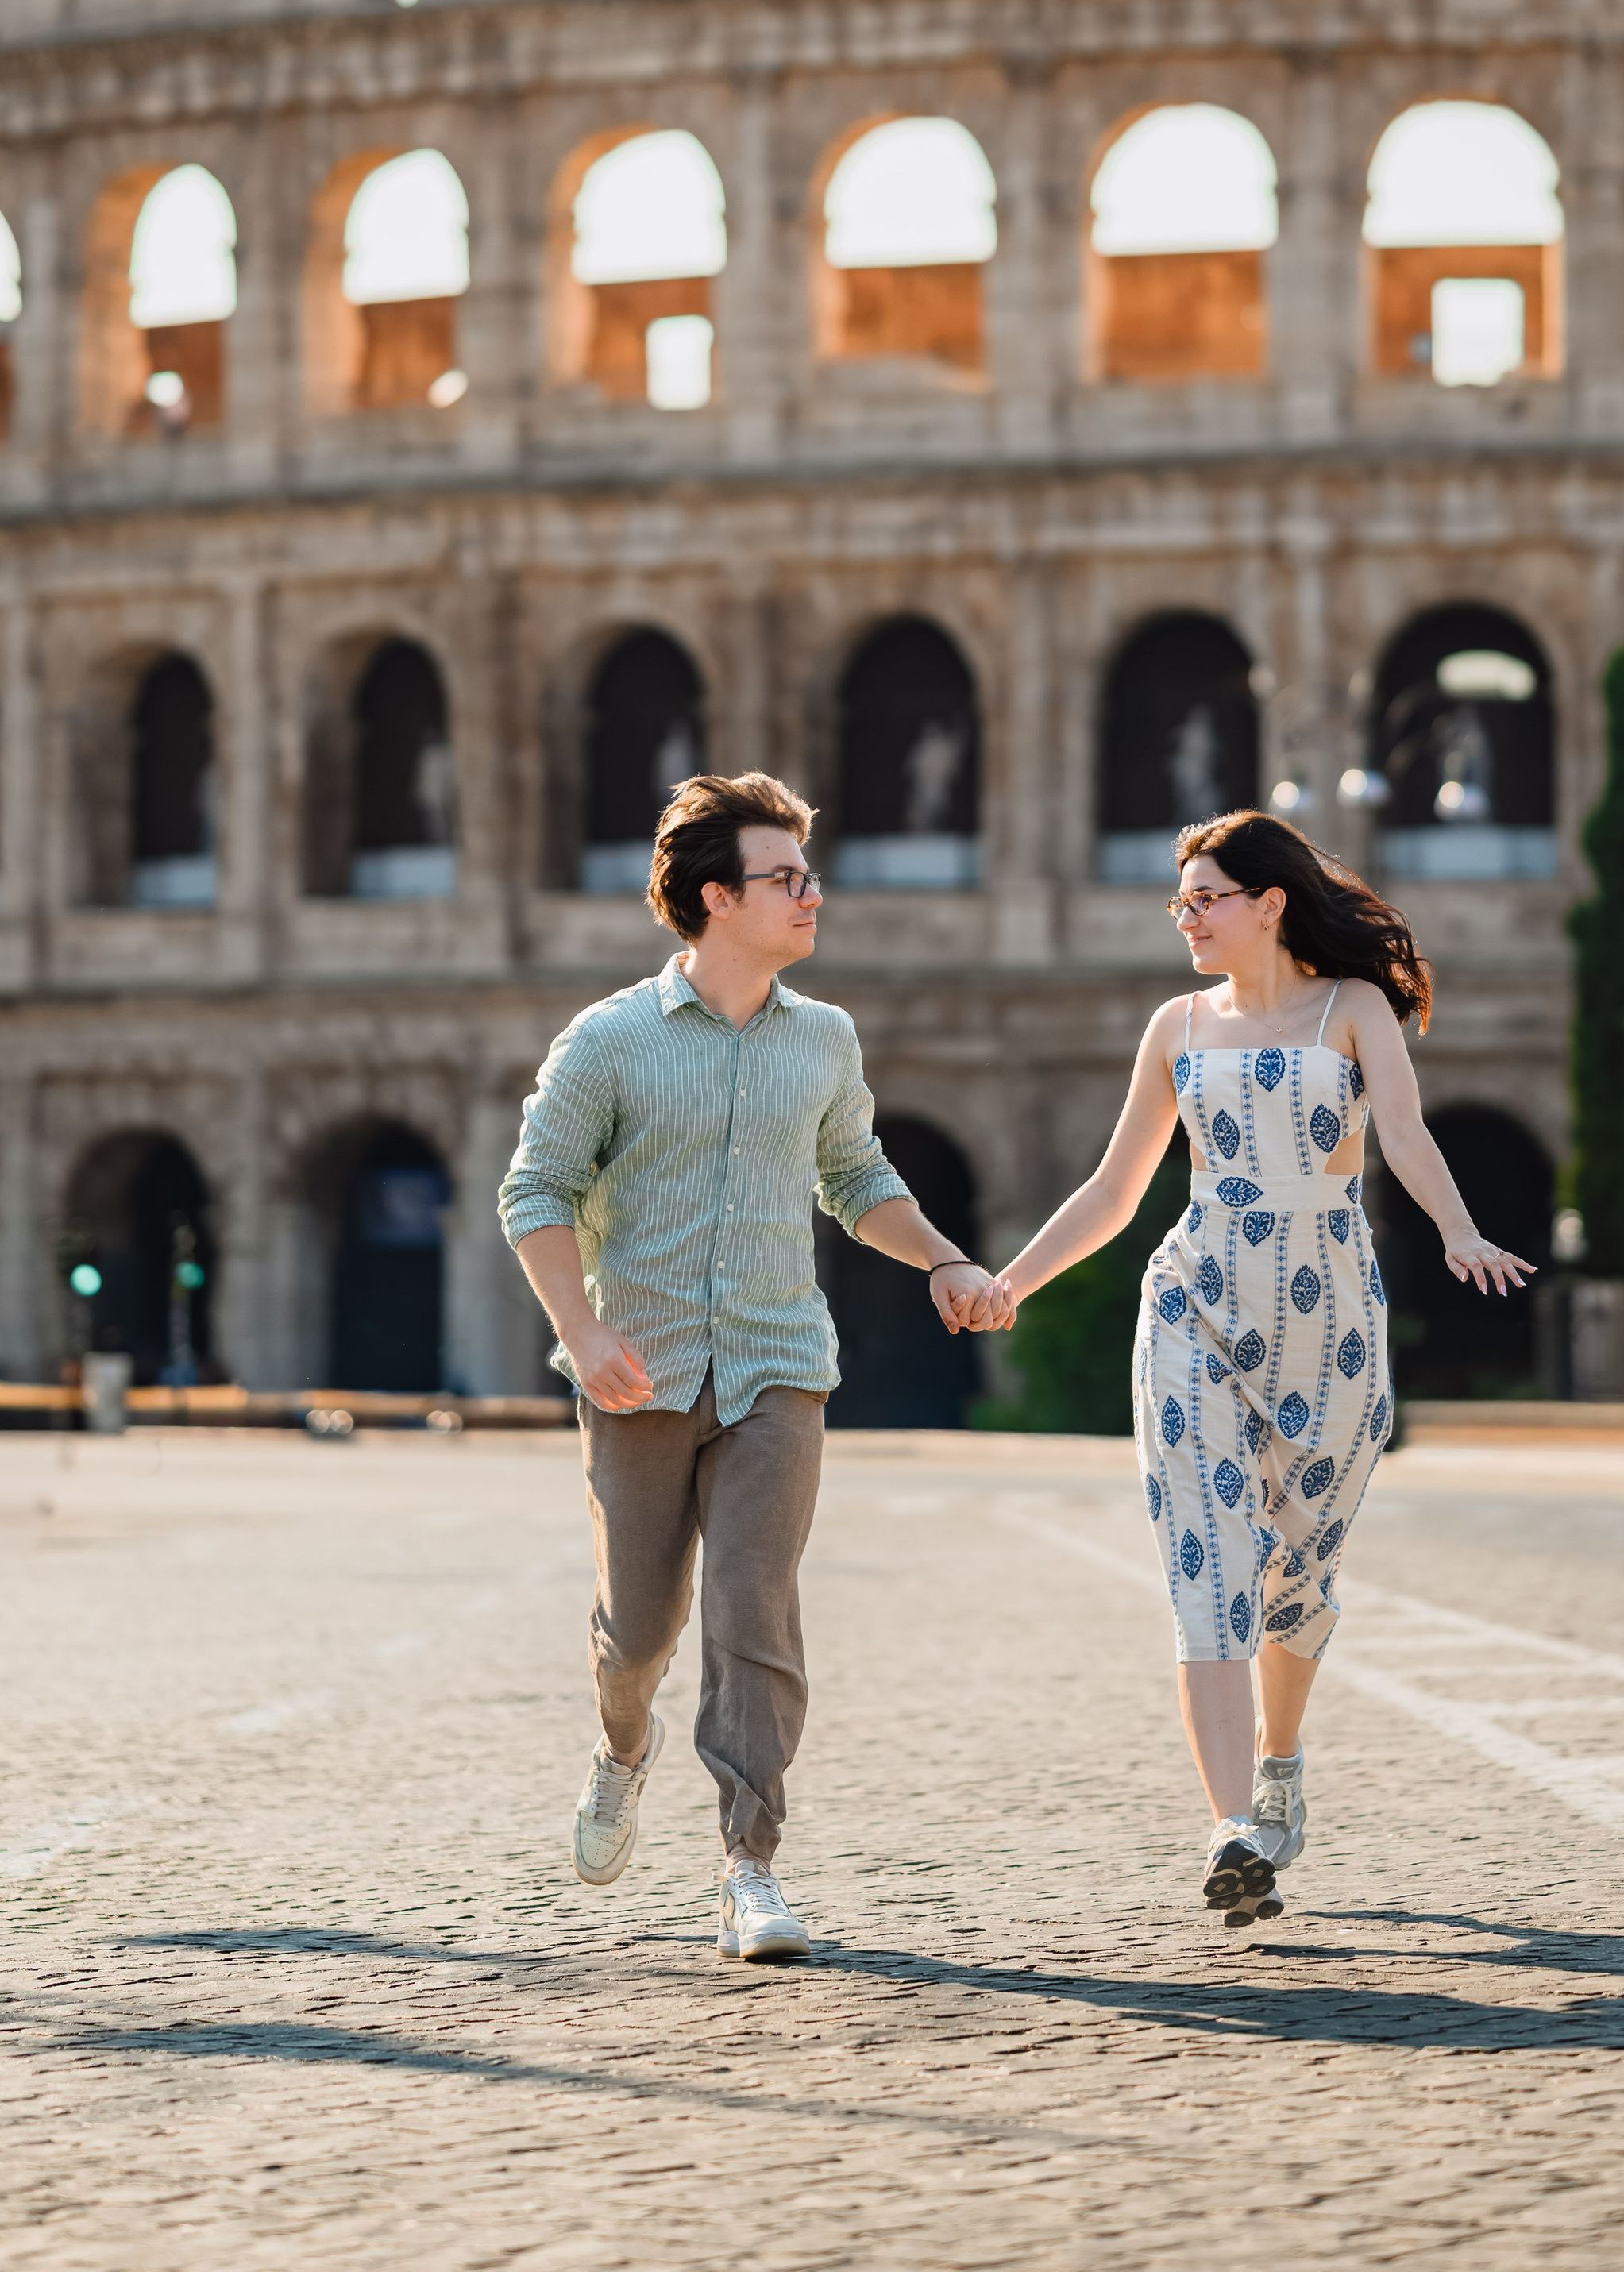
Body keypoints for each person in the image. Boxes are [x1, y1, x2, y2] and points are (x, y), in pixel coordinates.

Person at [499, 770, 1011, 1962]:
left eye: (810, 874)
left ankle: (749, 1864)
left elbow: (857, 1178)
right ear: (718, 898)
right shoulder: (612, 1040)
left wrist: (939, 1260)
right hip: (643, 1372)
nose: (812, 895)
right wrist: (582, 1333)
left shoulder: (824, 1039)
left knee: (754, 1615)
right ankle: (622, 1750)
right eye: (788, 879)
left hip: (781, 1365)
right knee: (639, 1632)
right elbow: (535, 1190)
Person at [994, 807, 1533, 1925]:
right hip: (1194, 1305)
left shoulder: (1354, 1009)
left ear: (1269, 904)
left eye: (1205, 898)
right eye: (1179, 902)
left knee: (1296, 1580)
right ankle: (1233, 1826)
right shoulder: (1176, 1029)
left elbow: (1407, 1134)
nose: (1185, 918)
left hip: (1329, 1324)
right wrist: (1013, 1282)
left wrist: (1459, 1229)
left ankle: (1279, 1760)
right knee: (1206, 1570)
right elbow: (1113, 1190)